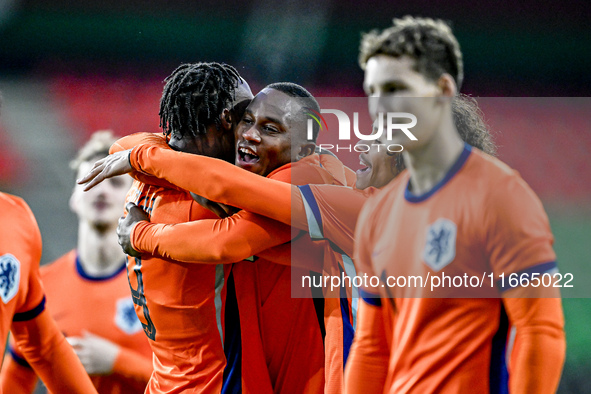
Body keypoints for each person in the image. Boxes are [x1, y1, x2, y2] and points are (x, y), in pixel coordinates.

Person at [82, 82, 359, 394]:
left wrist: (139, 233)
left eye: (270, 128)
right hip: (267, 366)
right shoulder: (252, 172)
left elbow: (227, 241)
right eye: (247, 120)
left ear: (304, 147)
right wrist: (141, 154)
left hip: (334, 367)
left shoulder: (313, 175)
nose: (250, 134)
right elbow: (128, 146)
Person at [345, 16, 565, 393]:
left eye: (397, 88)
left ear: (443, 89)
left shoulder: (500, 196)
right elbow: (371, 349)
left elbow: (539, 330)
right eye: (373, 91)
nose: (381, 106)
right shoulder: (376, 216)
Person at [106, 61, 261, 393]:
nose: (253, 131)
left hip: (165, 381)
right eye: (247, 116)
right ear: (226, 119)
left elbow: (124, 146)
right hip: (214, 384)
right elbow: (230, 239)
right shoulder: (214, 203)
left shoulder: (146, 175)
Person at [0, 130, 152, 394]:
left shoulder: (158, 286)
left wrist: (117, 360)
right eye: (90, 180)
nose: (101, 189)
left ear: (134, 200)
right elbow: (17, 376)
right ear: (74, 196)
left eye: (114, 183)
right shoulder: (42, 282)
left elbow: (187, 380)